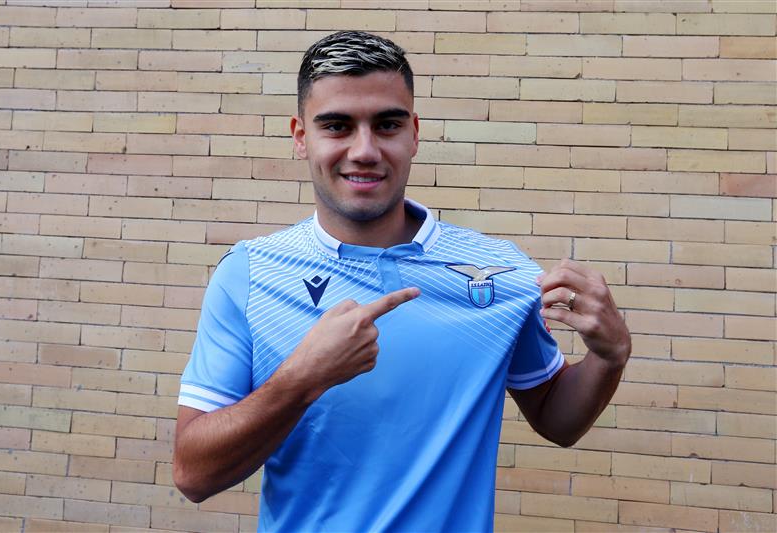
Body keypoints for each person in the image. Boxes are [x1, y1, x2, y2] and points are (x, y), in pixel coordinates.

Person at [173, 31, 631, 532]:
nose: (364, 150)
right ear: (301, 135)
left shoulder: (497, 271)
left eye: (386, 124)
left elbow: (556, 418)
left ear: (414, 133)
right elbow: (193, 474)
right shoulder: (249, 273)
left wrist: (609, 357)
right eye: (337, 126)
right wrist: (303, 377)